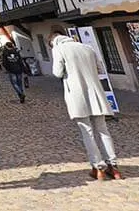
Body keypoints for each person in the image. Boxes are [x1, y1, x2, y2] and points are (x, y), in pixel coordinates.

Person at [50, 30, 123, 180]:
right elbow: (100, 69)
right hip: (95, 93)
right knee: (103, 130)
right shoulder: (87, 48)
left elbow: (57, 72)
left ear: (53, 41)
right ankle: (113, 166)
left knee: (87, 132)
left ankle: (98, 167)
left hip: (78, 95)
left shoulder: (59, 49)